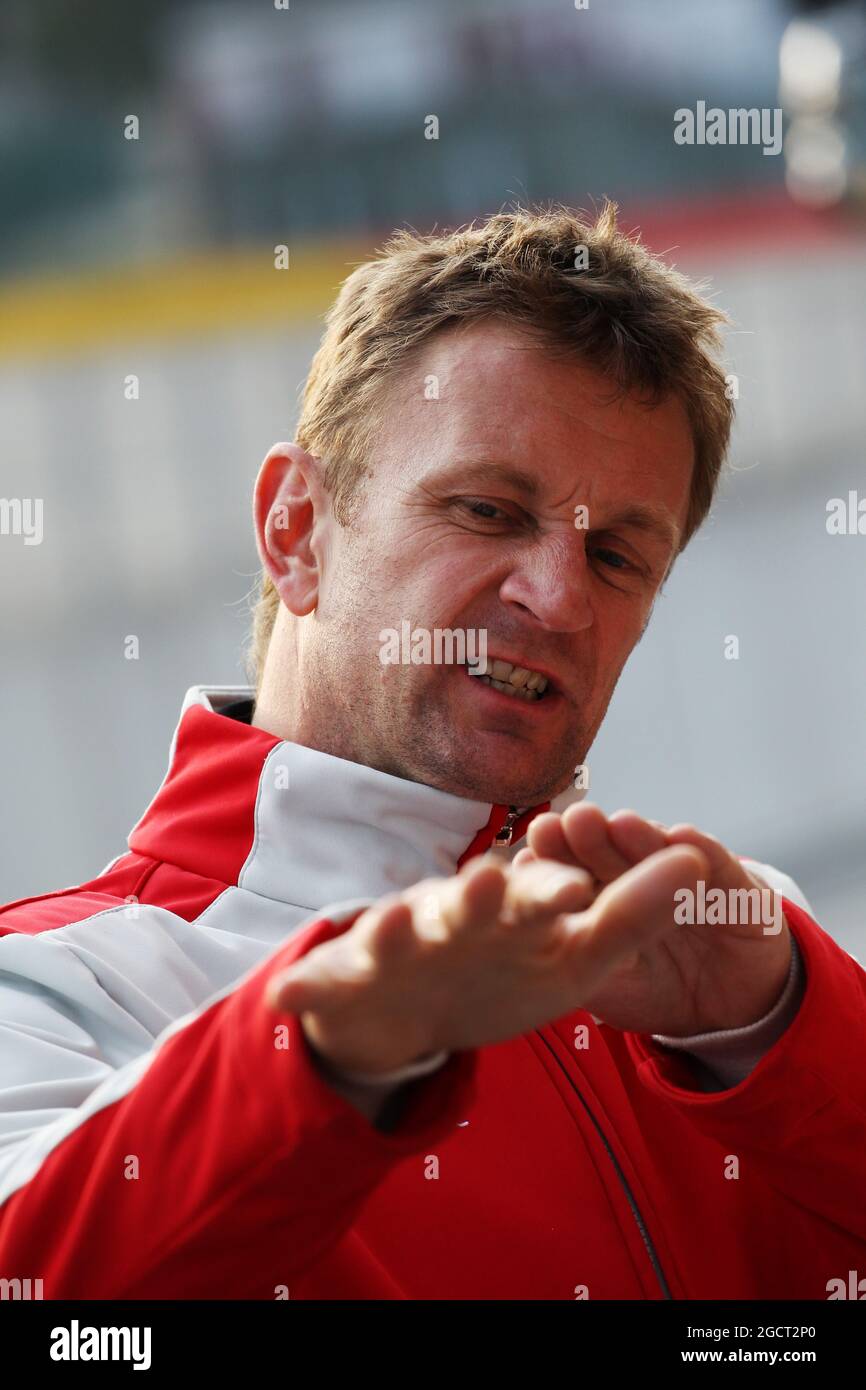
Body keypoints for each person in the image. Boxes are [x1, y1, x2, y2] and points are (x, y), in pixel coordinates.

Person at [0, 204, 862, 1301]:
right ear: (295, 528)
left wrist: (789, 1038)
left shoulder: (732, 980)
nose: (554, 598)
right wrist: (337, 1044)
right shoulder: (56, 987)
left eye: (613, 554)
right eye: (489, 510)